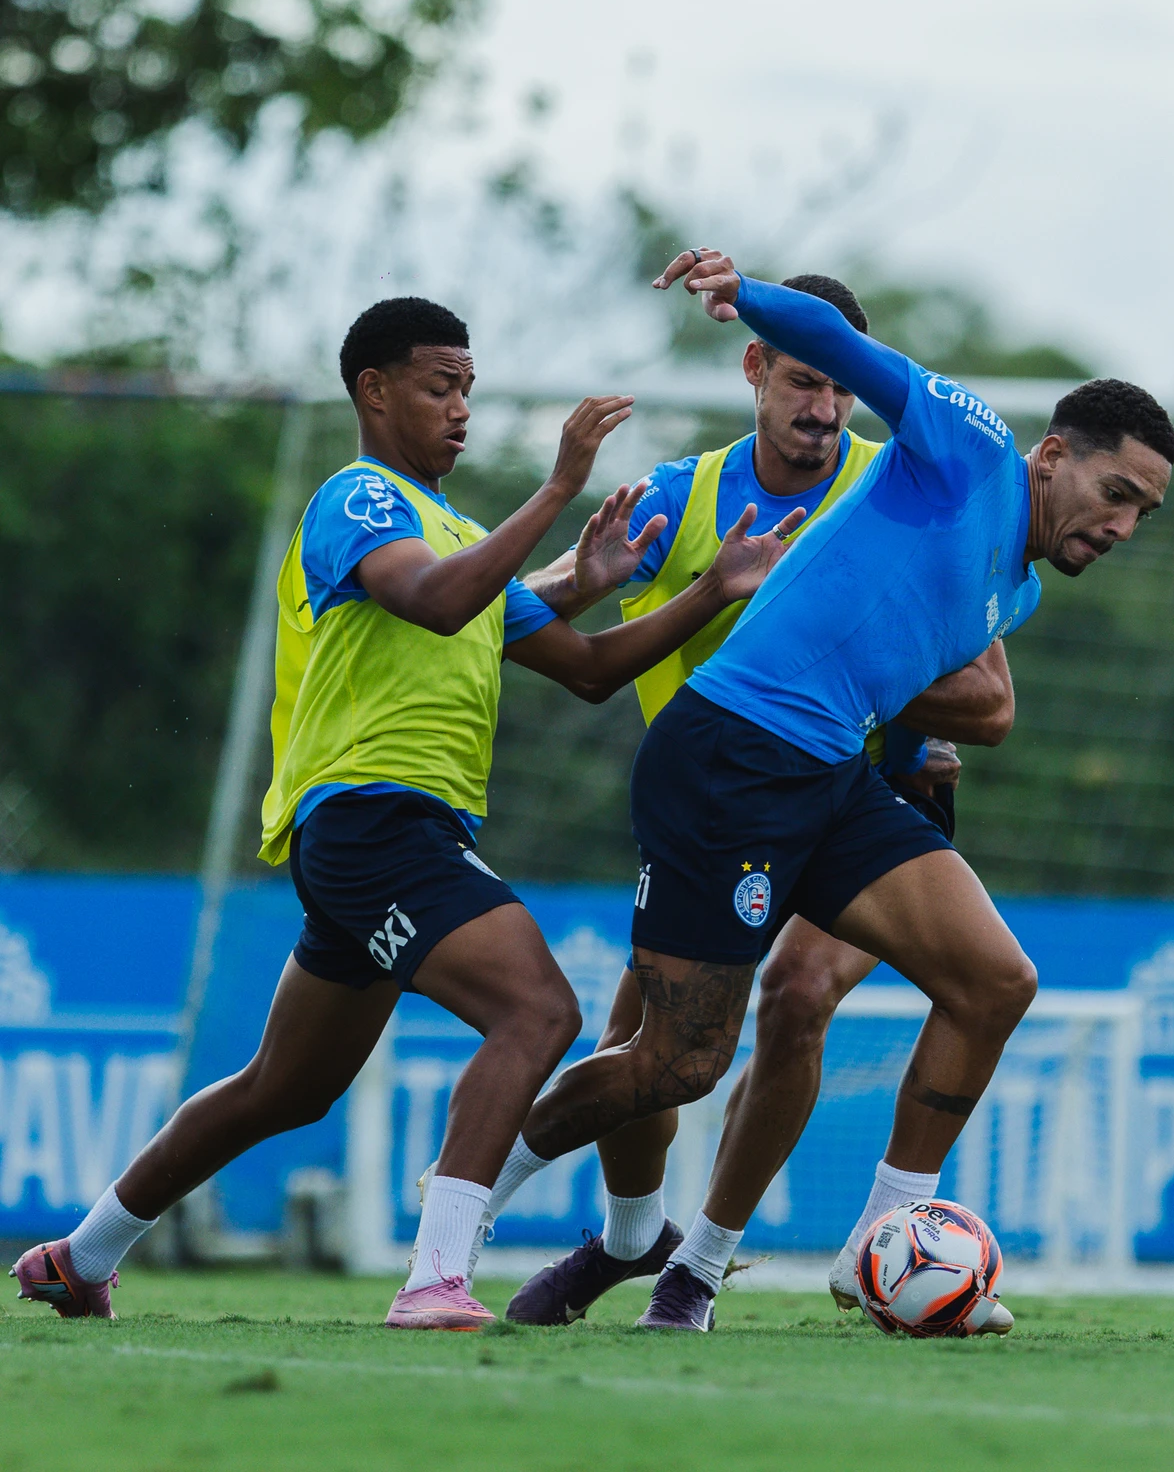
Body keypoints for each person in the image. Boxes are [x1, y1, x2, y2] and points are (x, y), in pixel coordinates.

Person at [9, 294, 803, 1330]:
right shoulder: (359, 502)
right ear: (374, 390)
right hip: (373, 818)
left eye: (468, 388)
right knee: (540, 1012)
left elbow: (593, 669)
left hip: (388, 836)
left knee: (284, 1088)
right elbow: (434, 598)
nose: (461, 408)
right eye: (440, 386)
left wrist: (705, 592)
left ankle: (83, 1254)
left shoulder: (461, 535)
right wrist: (559, 488)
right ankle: (435, 1278)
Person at [479, 247, 1174, 1333]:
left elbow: (985, 709)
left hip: (834, 782)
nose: (1124, 527)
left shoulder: (1018, 593)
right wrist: (739, 291)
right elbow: (859, 353)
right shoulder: (969, 445)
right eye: (1116, 493)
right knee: (673, 1062)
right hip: (732, 760)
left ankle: (873, 1248)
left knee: (994, 982)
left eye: (1144, 514)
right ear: (1054, 456)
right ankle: (461, 1217)